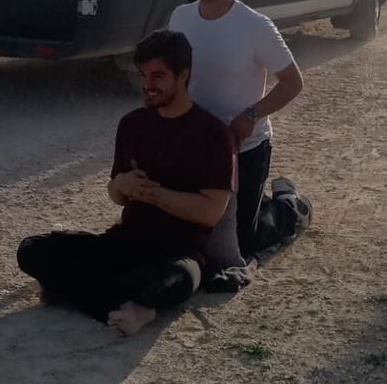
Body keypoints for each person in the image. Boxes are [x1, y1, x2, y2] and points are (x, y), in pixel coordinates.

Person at [17, 30, 235, 335]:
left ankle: (75, 290)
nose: (148, 85)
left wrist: (155, 195)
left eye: (158, 76)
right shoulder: (132, 124)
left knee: (166, 282)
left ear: (183, 75)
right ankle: (130, 307)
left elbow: (211, 212)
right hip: (125, 242)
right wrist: (122, 183)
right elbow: (116, 195)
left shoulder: (213, 134)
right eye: (143, 75)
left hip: (178, 253)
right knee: (31, 251)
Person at [169, 0, 303, 257]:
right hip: (194, 143)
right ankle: (256, 203)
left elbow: (293, 82)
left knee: (243, 241)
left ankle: (290, 206)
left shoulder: (255, 26)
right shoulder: (180, 18)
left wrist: (251, 115)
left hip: (244, 147)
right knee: (186, 228)